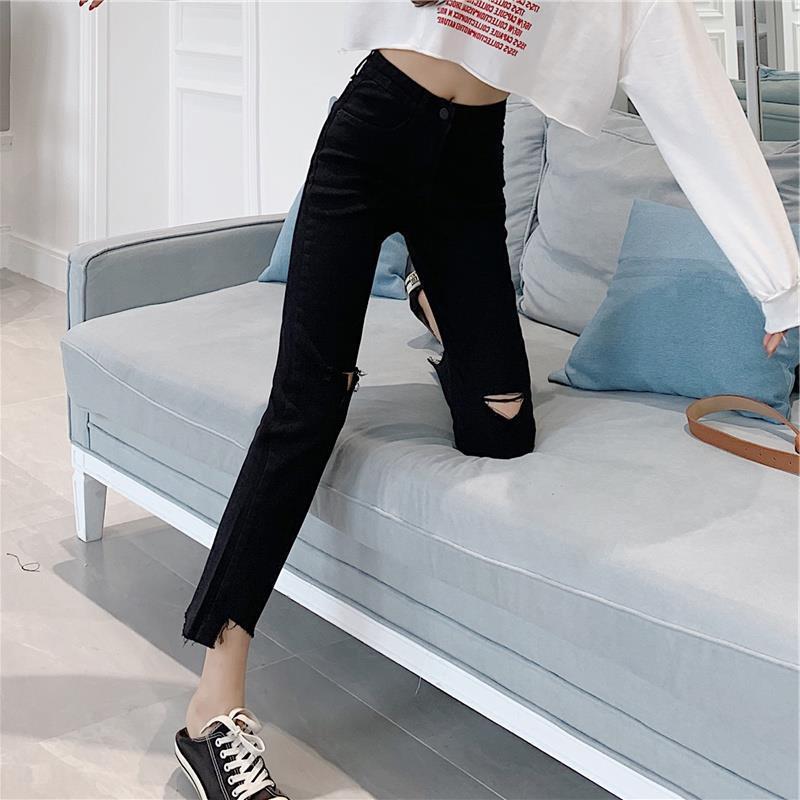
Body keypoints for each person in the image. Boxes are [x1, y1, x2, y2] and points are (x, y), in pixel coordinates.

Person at [79, 1, 799, 799]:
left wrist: (777, 280)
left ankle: (430, 296)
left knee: (503, 427)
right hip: (373, 131)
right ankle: (213, 709)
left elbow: (692, 97)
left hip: (468, 163)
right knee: (307, 407)